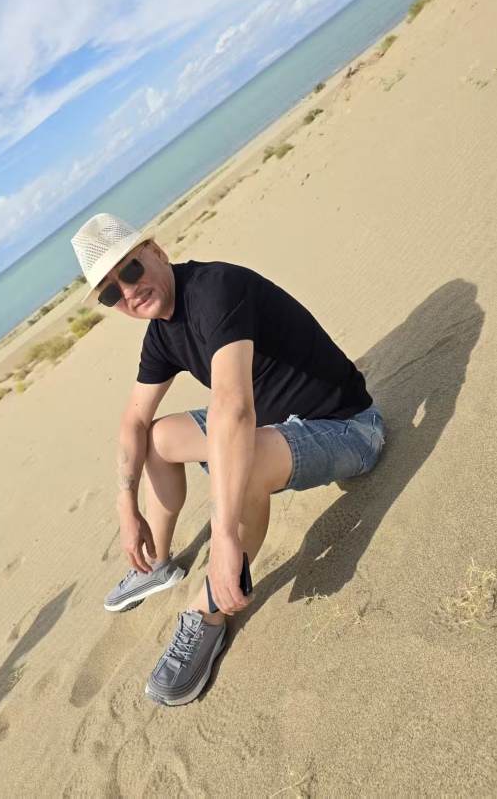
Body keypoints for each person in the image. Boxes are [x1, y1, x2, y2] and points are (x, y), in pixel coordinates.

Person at [71, 213, 385, 706]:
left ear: (157, 252)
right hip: (273, 429)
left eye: (130, 270)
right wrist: (125, 504)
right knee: (156, 437)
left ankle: (206, 614)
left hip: (347, 429)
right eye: (111, 293)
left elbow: (234, 408)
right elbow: (133, 420)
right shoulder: (161, 334)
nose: (128, 292)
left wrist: (223, 539)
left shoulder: (214, 288)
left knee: (242, 459)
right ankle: (156, 564)